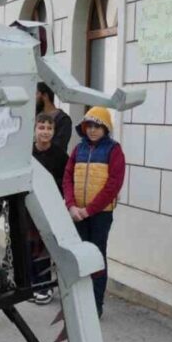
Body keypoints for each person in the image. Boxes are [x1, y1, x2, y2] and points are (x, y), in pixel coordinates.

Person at [63, 107, 125, 318]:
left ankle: (96, 304)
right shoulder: (77, 150)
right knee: (80, 258)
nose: (92, 130)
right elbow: (67, 178)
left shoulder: (114, 150)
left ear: (106, 127)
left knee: (97, 258)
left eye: (97, 126)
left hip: (99, 215)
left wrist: (89, 210)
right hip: (77, 214)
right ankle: (80, 303)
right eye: (89, 125)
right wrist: (71, 205)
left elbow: (113, 185)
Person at [30, 112, 69, 304]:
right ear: (34, 129)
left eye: (49, 128)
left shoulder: (60, 155)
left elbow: (66, 181)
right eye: (41, 127)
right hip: (28, 206)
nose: (45, 132)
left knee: (43, 245)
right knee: (27, 244)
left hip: (49, 207)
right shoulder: (27, 153)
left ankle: (44, 286)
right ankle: (31, 284)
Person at [36, 82, 73, 152]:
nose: (34, 97)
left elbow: (59, 146)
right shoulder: (34, 116)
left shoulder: (63, 120)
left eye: (36, 93)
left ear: (45, 96)